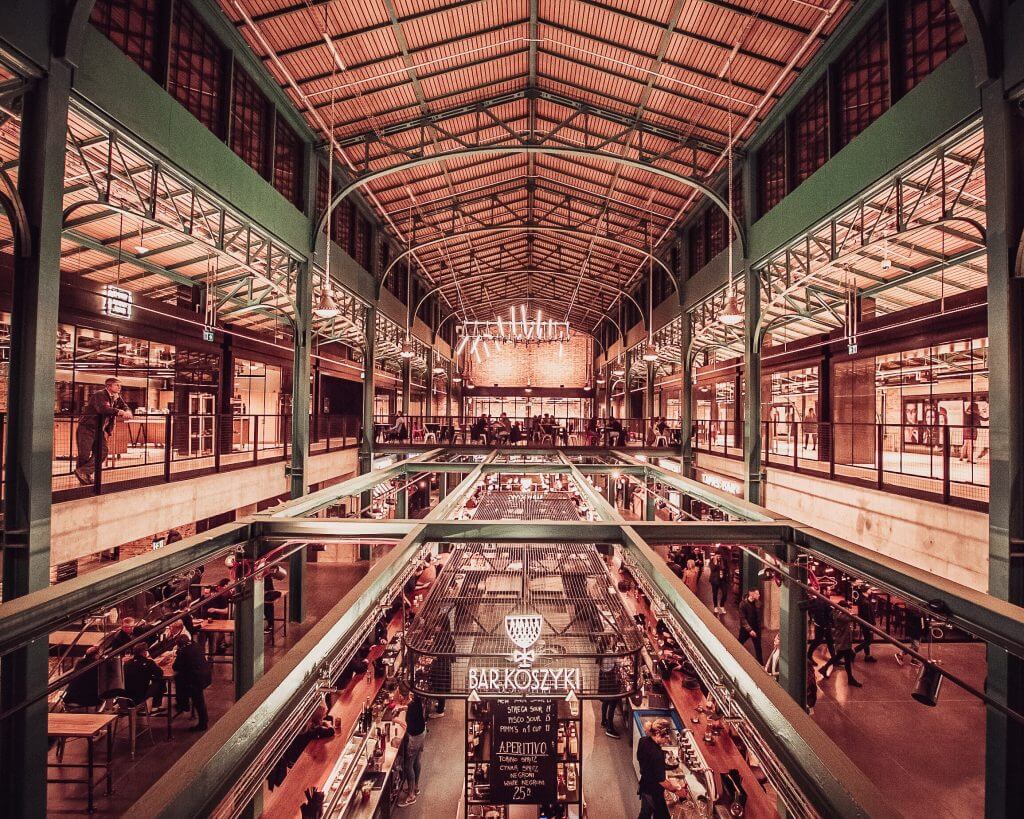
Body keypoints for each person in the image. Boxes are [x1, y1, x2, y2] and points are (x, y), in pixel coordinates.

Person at [75, 377, 132, 484]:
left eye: (120, 385)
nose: (120, 387)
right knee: (84, 454)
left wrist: (128, 411)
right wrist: (120, 412)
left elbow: (125, 407)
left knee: (103, 451)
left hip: (99, 430)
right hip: (87, 427)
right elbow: (102, 409)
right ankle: (84, 477)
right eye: (117, 385)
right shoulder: (100, 395)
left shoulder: (116, 397)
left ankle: (83, 471)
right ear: (108, 386)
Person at [636, 717, 686, 819]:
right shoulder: (657, 754)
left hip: (644, 784)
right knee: (658, 814)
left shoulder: (643, 741)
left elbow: (640, 758)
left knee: (644, 813)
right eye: (666, 737)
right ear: (658, 734)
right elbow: (662, 781)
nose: (667, 740)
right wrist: (677, 791)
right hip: (653, 791)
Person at [818, 601, 862, 687]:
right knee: (843, 658)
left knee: (843, 658)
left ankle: (849, 678)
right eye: (846, 607)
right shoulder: (840, 615)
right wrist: (852, 612)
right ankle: (849, 679)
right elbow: (851, 618)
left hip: (844, 639)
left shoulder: (837, 613)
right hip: (843, 640)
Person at [172, 633, 210, 731]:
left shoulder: (184, 651)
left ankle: (202, 723)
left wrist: (178, 654)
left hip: (195, 680)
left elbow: (175, 666)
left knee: (198, 701)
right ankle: (202, 719)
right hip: (204, 676)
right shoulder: (196, 646)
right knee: (199, 700)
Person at [397, 692, 427, 807]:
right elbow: (410, 707)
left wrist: (396, 720)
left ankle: (411, 796)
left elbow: (407, 727)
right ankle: (415, 787)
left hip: (415, 738)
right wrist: (403, 708)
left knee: (408, 765)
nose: (398, 697)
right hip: (422, 732)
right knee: (416, 761)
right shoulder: (416, 700)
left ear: (403, 697)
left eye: (399, 695)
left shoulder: (410, 713)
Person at [124, 642, 166, 711]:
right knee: (160, 681)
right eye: (146, 651)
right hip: (142, 695)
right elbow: (160, 673)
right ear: (143, 652)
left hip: (128, 696)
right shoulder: (149, 662)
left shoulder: (127, 663)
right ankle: (155, 707)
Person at [803, 595, 835, 663]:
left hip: (824, 624)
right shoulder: (820, 601)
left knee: (829, 641)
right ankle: (809, 655)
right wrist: (825, 625)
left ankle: (834, 659)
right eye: (828, 590)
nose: (829, 591)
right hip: (822, 625)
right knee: (818, 641)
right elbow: (821, 614)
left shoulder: (822, 600)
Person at [738, 589, 764, 664]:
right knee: (739, 644)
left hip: (756, 629)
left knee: (758, 648)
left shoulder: (758, 603)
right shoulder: (743, 604)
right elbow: (743, 619)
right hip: (745, 630)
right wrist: (750, 630)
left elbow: (758, 617)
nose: (759, 595)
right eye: (757, 594)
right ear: (751, 594)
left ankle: (761, 665)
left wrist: (758, 629)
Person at [853, 594, 878, 662]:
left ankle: (867, 656)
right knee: (868, 640)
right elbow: (868, 616)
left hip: (864, 624)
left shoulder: (862, 600)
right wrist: (871, 627)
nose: (871, 591)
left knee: (866, 640)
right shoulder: (866, 602)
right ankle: (854, 651)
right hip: (867, 625)